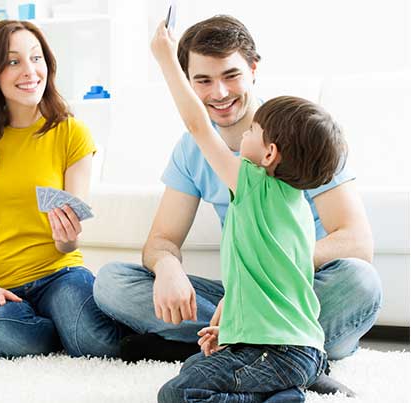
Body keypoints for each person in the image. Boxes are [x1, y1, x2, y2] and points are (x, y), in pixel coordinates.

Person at [93, 14, 380, 392]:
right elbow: (161, 239)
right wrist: (167, 267)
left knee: (360, 280)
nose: (219, 93)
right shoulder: (193, 152)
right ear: (189, 82)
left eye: (230, 75)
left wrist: (268, 273)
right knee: (113, 282)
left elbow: (357, 243)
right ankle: (269, 353)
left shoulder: (301, 134)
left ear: (253, 69)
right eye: (203, 80)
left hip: (301, 291)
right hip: (238, 296)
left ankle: (254, 350)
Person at [151, 19, 344, 402]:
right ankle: (283, 389)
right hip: (296, 344)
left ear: (269, 153)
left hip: (278, 351)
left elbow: (197, 125)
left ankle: (276, 394)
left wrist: (166, 60)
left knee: (177, 393)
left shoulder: (254, 183)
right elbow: (269, 287)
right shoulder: (294, 205)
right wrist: (231, 329)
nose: (244, 137)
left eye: (253, 132)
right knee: (195, 368)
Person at [0, 20, 126, 359]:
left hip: (61, 274)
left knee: (95, 342)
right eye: (14, 61)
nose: (30, 71)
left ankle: (69, 326)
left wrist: (67, 236)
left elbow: (71, 241)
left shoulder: (72, 133)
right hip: (1, 283)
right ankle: (62, 330)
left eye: (37, 58)